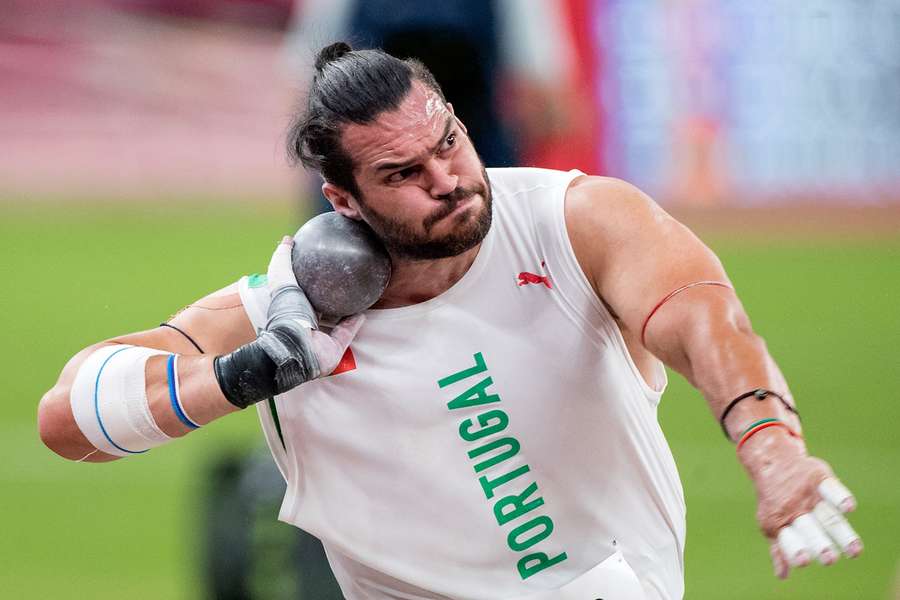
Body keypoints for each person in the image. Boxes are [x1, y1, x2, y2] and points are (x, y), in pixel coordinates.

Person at [38, 43, 863, 600]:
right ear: (344, 199)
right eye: (403, 172)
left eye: (451, 142)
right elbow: (69, 419)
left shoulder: (572, 222)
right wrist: (249, 375)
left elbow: (701, 316)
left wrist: (772, 448)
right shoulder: (285, 311)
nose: (450, 180)